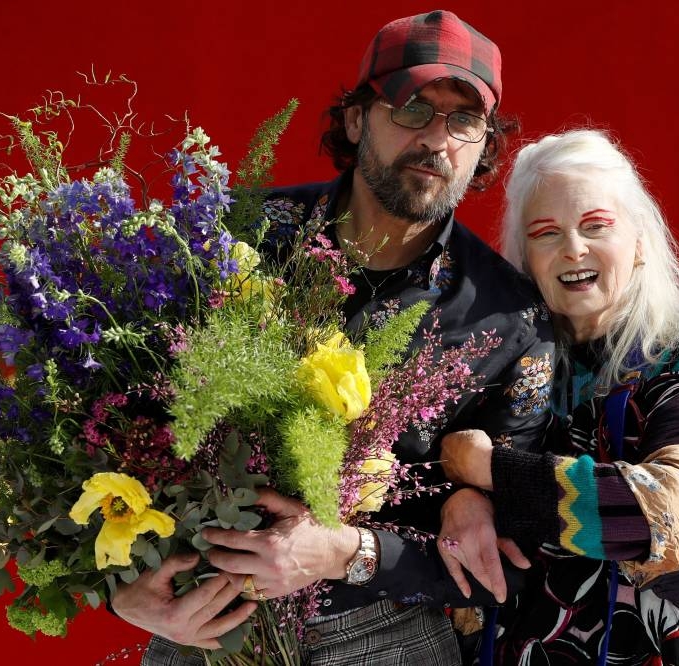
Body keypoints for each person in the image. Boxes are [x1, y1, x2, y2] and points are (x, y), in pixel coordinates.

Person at [112, 10, 555, 665]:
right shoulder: (235, 240)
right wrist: (119, 586)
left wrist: (347, 552)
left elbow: (513, 564)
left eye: (465, 120)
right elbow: (107, 422)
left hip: (388, 639)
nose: (438, 138)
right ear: (356, 119)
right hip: (204, 626)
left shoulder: (509, 319)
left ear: (485, 144)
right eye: (411, 108)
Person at [438, 129, 679, 665]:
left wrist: (492, 473)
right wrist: (458, 496)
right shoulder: (493, 357)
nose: (573, 248)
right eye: (546, 233)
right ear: (524, 258)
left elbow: (666, 513)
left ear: (640, 241)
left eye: (595, 226)